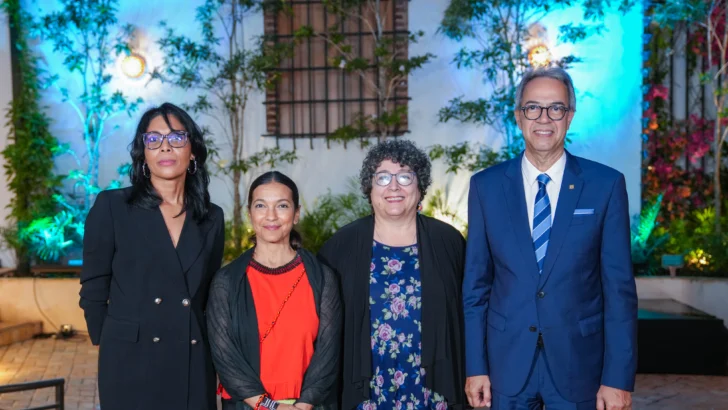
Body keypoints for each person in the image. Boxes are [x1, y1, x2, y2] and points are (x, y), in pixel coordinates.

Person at [462, 66, 638, 410]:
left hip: (579, 364)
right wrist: (475, 367)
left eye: (556, 108)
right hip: (505, 366)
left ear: (569, 117)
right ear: (518, 116)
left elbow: (619, 291)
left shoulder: (605, 185)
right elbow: (475, 288)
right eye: (532, 107)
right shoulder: (485, 187)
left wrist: (617, 378)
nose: (544, 118)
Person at [79, 102, 225, 410]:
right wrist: (111, 340)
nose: (165, 148)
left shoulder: (211, 217)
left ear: (193, 151)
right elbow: (94, 284)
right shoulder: (113, 207)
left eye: (176, 138)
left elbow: (207, 294)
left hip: (191, 355)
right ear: (143, 153)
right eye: (153, 139)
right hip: (130, 358)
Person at [319, 139, 467, 410]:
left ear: (419, 186)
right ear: (369, 187)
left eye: (405, 177)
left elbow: (467, 312)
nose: (394, 186)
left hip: (430, 387)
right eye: (383, 178)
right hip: (365, 388)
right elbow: (322, 325)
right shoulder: (340, 246)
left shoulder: (447, 242)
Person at [207, 171, 342, 410]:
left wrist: (303, 406)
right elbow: (225, 358)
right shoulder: (226, 282)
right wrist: (271, 407)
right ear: (250, 214)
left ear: (296, 213)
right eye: (261, 205)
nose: (271, 216)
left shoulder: (322, 278)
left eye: (282, 205)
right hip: (248, 406)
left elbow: (328, 353)